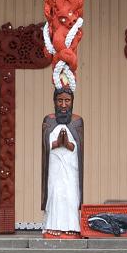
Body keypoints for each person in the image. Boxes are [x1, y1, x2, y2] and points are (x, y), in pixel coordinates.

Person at [41, 86, 83, 236]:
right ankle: (52, 226)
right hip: (54, 165)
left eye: (67, 101)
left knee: (70, 194)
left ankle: (72, 227)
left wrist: (68, 144)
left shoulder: (77, 121)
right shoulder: (48, 120)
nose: (63, 105)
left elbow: (78, 147)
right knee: (55, 193)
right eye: (60, 101)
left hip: (72, 167)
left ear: (72, 102)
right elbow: (45, 144)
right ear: (54, 102)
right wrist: (57, 143)